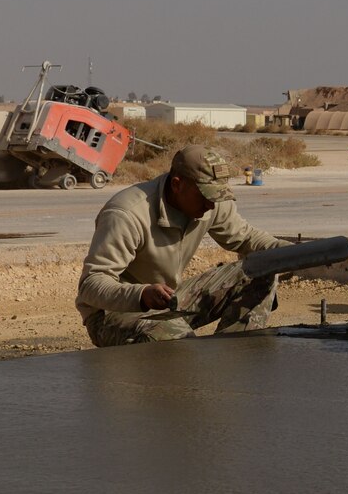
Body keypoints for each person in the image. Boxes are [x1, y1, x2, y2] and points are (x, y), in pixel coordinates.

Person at [76, 145, 286, 346]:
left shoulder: (210, 203)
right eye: (205, 196)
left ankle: (232, 357)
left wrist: (296, 254)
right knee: (176, 340)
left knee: (261, 270)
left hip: (168, 301)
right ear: (177, 184)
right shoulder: (127, 214)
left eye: (216, 196)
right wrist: (142, 294)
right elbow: (90, 285)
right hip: (113, 313)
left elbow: (246, 237)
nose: (211, 205)